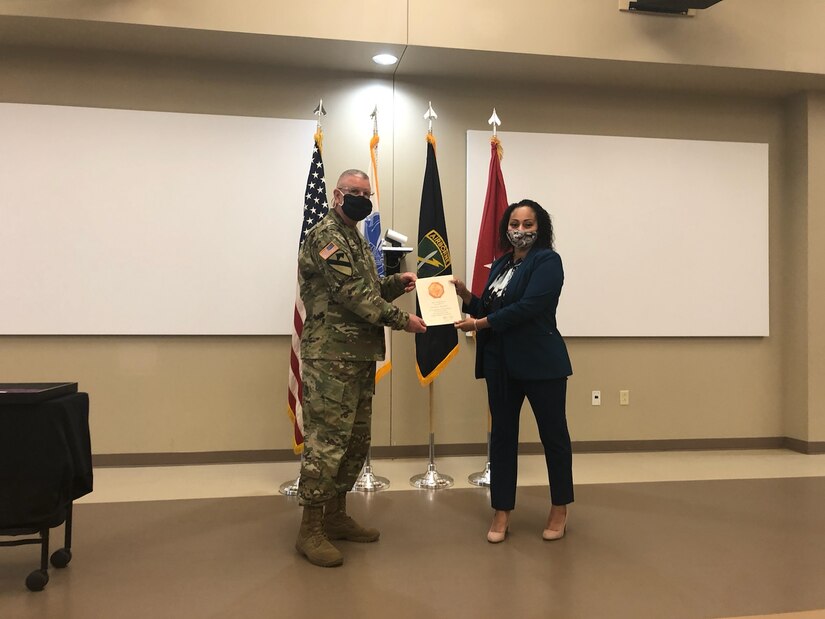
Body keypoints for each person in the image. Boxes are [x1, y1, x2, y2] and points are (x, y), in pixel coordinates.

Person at [295, 169, 427, 567]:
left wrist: (395, 284)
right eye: (353, 192)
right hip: (330, 359)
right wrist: (405, 321)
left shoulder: (353, 235)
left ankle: (335, 517)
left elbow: (365, 290)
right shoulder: (326, 236)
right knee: (327, 444)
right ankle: (310, 529)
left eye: (366, 194)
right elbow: (350, 294)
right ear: (336, 194)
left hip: (356, 356)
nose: (361, 199)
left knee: (353, 442)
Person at [453, 199, 573, 543]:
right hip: (500, 364)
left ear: (540, 228)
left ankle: (560, 507)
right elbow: (489, 307)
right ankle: (501, 510)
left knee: (554, 437)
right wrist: (465, 295)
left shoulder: (548, 261)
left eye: (528, 225)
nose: (520, 231)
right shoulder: (502, 264)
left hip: (541, 364)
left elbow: (528, 308)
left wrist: (481, 322)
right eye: (515, 224)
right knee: (502, 439)